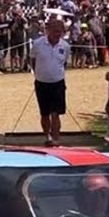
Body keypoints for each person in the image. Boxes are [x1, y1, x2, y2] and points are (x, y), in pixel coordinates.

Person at [29, 17, 70, 146]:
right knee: (45, 113)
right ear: (48, 31)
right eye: (55, 31)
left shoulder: (65, 46)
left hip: (58, 83)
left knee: (55, 113)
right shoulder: (38, 44)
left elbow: (64, 63)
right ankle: (47, 136)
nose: (57, 34)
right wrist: (38, 74)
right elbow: (32, 60)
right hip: (42, 83)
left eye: (60, 32)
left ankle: (56, 138)